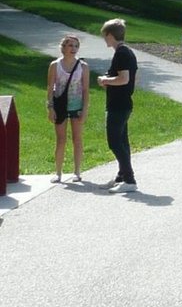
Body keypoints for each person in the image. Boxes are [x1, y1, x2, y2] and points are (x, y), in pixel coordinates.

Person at [98, 18, 138, 193]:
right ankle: (122, 176)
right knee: (122, 141)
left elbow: (124, 78)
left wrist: (105, 80)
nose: (104, 39)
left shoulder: (121, 53)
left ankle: (130, 180)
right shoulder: (127, 52)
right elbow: (132, 78)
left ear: (110, 35)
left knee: (114, 142)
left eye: (105, 36)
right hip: (123, 103)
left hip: (118, 105)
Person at [46, 34, 88, 183]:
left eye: (76, 46)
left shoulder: (83, 66)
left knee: (77, 138)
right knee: (61, 139)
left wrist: (85, 109)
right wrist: (50, 107)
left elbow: (85, 90)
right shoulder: (55, 65)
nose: (73, 49)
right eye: (70, 45)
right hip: (60, 106)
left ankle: (77, 171)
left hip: (76, 106)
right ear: (63, 47)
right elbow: (50, 88)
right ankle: (58, 173)